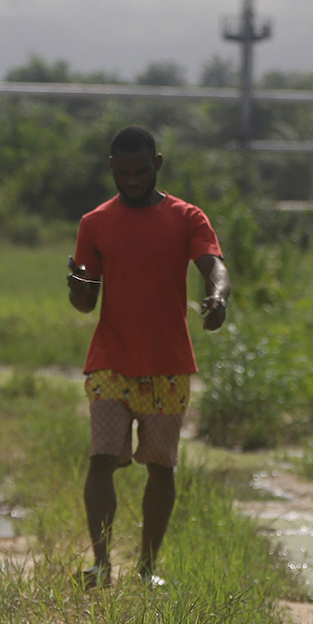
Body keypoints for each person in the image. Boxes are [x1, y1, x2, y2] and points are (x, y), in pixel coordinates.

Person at [65, 124, 228, 589]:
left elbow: (213, 265)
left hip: (168, 364)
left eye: (140, 171)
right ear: (112, 169)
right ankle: (101, 564)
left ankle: (148, 568)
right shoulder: (94, 223)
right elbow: (84, 301)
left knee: (161, 465)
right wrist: (77, 286)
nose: (132, 180)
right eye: (123, 172)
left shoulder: (186, 217)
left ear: (156, 165)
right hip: (110, 362)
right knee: (102, 459)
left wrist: (217, 297)